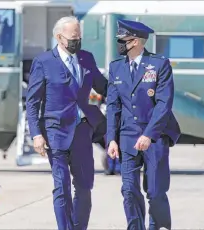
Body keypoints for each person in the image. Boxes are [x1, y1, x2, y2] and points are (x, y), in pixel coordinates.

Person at [26, 16, 108, 230]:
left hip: (82, 131)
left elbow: (103, 86)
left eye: (79, 37)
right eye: (73, 37)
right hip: (55, 132)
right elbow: (33, 102)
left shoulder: (86, 58)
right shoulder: (43, 62)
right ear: (59, 37)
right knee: (61, 187)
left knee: (84, 187)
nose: (77, 41)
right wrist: (36, 134)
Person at [106, 19, 181, 230]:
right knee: (129, 190)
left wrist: (149, 135)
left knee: (155, 191)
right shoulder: (116, 67)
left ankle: (159, 226)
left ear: (137, 42)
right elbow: (113, 106)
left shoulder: (159, 65)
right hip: (128, 136)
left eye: (124, 40)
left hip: (155, 136)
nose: (120, 44)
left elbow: (163, 104)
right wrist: (111, 138)